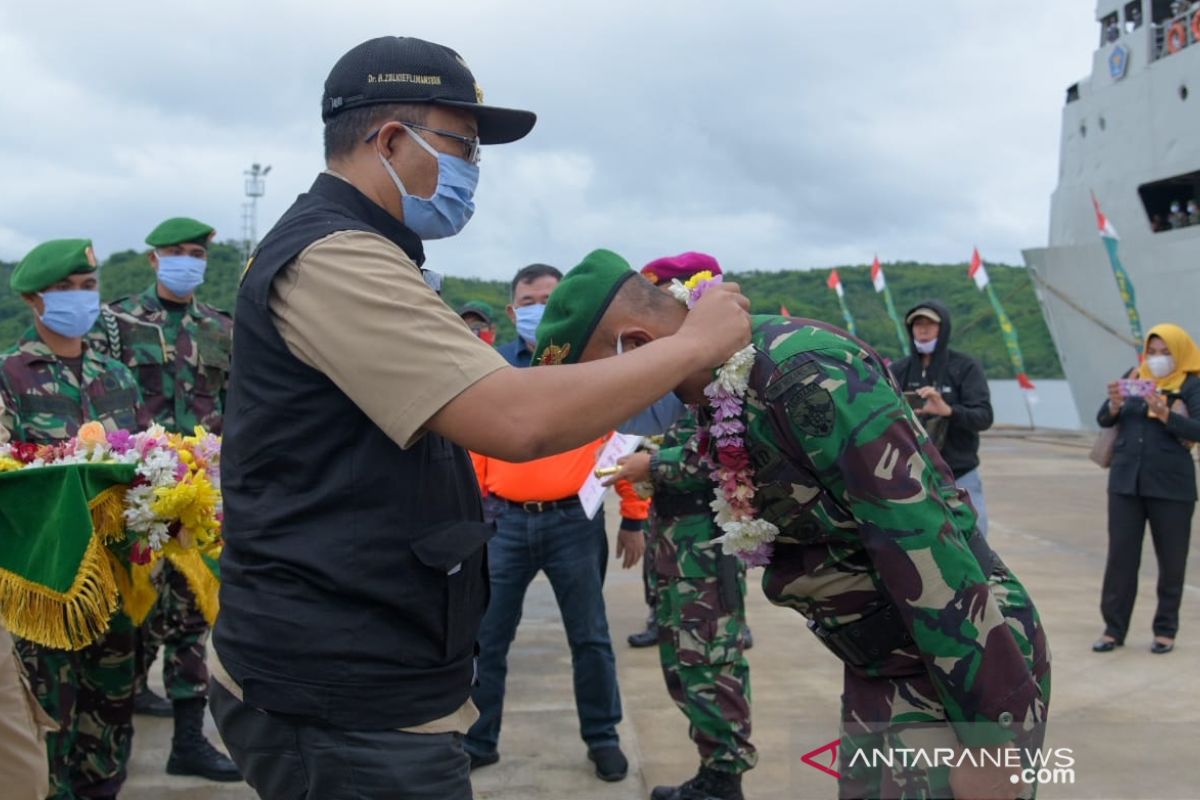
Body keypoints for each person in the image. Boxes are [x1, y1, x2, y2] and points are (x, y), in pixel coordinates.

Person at [209, 36, 750, 800]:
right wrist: (694, 343)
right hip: (339, 692)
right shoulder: (333, 257)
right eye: (463, 146)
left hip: (377, 665)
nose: (472, 172)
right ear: (391, 141)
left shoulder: (374, 253)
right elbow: (511, 419)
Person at [535, 251, 1051, 800]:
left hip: (956, 660)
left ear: (635, 347)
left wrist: (992, 737)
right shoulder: (717, 388)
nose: (601, 411)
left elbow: (922, 539)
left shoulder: (800, 372)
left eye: (598, 384)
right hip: (886, 659)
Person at [87, 216, 240, 782]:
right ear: (153, 260)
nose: (185, 260)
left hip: (198, 494)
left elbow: (236, 406)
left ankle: (187, 741)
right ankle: (109, 733)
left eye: (195, 252)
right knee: (128, 614)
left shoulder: (221, 328)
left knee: (192, 614)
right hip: (133, 494)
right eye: (174, 252)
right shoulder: (117, 322)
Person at [604, 252, 756, 800]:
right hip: (677, 543)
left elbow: (728, 453)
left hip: (706, 548)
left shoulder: (723, 375)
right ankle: (711, 769)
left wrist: (655, 465)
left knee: (712, 663)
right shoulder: (680, 377)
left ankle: (725, 776)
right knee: (684, 664)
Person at [0, 239, 142, 800]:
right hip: (49, 574)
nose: (81, 299)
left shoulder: (117, 376)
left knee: (113, 699)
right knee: (49, 704)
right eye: (67, 290)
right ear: (36, 300)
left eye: (89, 288)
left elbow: (139, 457)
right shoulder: (11, 375)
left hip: (114, 571)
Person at [1093, 324, 1200, 655]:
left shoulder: (1191, 385)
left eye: (1164, 353)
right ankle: (1113, 628)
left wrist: (1166, 413)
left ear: (1179, 353)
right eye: (1152, 352)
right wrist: (1113, 405)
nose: (1156, 359)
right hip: (1126, 482)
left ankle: (1165, 629)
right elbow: (1104, 419)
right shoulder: (1135, 376)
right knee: (1121, 558)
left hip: (1172, 485)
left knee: (1172, 561)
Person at [889, 301, 995, 537]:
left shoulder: (965, 367)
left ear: (943, 328)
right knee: (918, 541)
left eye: (930, 324)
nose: (923, 330)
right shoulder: (898, 370)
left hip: (960, 473)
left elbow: (984, 417)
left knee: (976, 539)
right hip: (913, 476)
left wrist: (948, 410)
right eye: (917, 324)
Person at [500, 262, 561, 365]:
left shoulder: (588, 357)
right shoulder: (498, 361)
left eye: (548, 303)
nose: (538, 311)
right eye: (528, 304)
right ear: (512, 314)